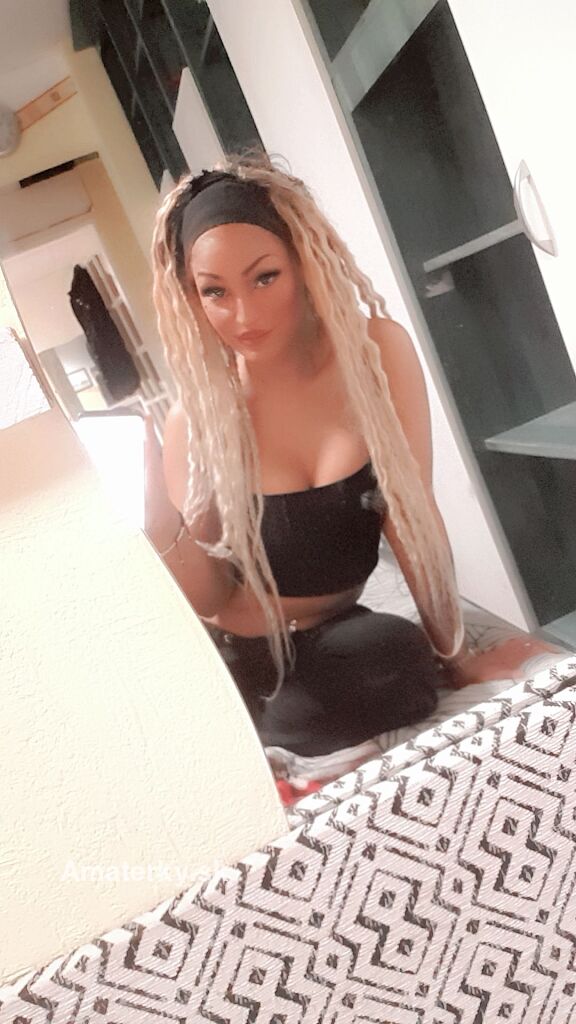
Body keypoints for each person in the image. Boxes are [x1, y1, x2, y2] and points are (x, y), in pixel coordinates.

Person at [144, 151, 550, 764]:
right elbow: (207, 599)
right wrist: (160, 522)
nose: (243, 316)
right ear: (191, 297)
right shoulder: (198, 417)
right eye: (215, 292)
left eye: (264, 278)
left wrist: (458, 655)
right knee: (310, 702)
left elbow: (411, 517)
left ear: (303, 262)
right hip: (237, 653)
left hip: (340, 634)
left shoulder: (374, 355)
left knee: (397, 658)